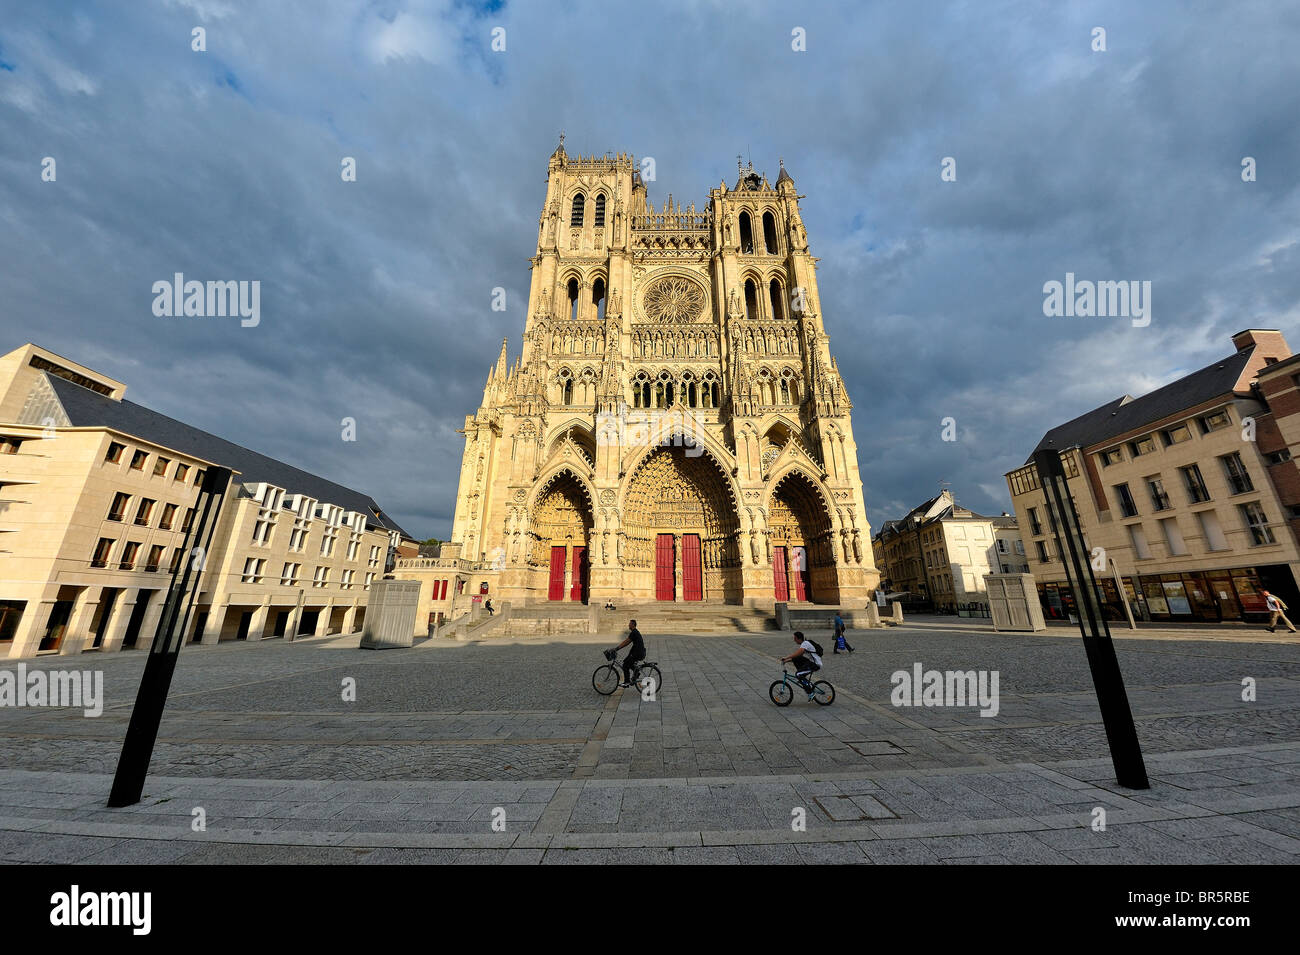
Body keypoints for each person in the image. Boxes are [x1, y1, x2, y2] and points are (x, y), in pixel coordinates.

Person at [781, 630, 822, 701]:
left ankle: (811, 693)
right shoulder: (805, 643)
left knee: (798, 674)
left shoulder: (805, 644)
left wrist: (786, 657)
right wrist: (787, 661)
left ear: (798, 638)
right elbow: (798, 657)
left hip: (815, 664)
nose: (794, 641)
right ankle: (804, 680)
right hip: (812, 662)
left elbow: (798, 653)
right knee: (797, 659)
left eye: (795, 639)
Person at [611, 619, 646, 687]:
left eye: (629, 624)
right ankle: (636, 672)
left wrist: (617, 648)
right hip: (639, 652)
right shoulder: (635, 632)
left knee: (625, 665)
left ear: (633, 625)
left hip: (637, 653)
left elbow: (626, 642)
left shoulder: (634, 633)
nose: (628, 625)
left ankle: (627, 682)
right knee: (628, 662)